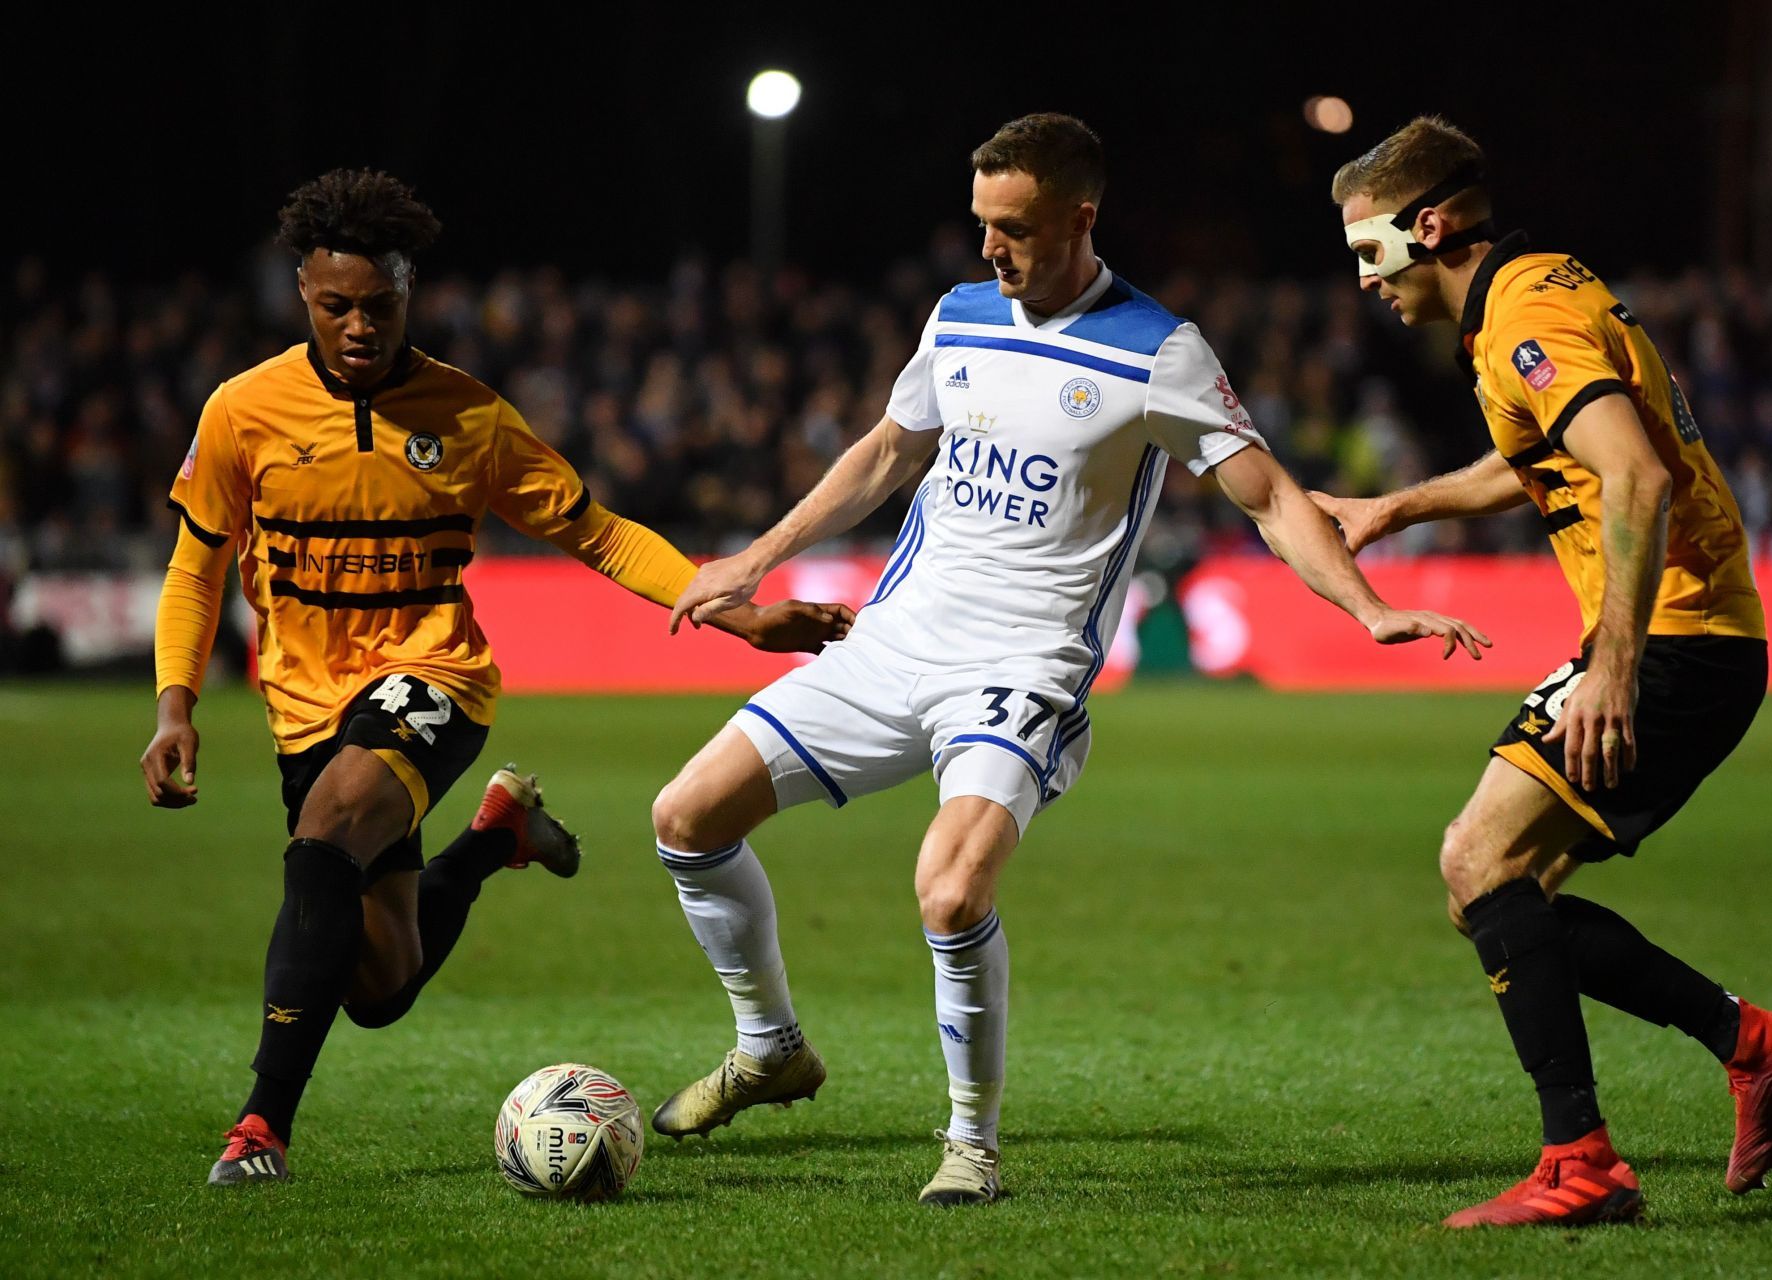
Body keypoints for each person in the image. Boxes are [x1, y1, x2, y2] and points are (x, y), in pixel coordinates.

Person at [648, 113, 1490, 1206]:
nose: (991, 250)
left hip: (1024, 669)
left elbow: (1271, 492)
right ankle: (770, 1047)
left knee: (949, 893)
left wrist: (1368, 607)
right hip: (894, 639)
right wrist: (756, 558)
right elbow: (886, 452)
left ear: (1080, 218)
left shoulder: (1157, 349)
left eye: (1016, 229)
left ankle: (971, 1144)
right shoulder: (957, 318)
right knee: (685, 816)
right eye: (982, 226)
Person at [138, 169, 851, 1185]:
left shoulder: (467, 417)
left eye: (377, 306)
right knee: (379, 981)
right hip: (304, 705)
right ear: (303, 290)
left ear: (408, 293)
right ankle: (491, 841)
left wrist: (735, 611)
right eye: (335, 306)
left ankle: (261, 1124)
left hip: (436, 678)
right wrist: (177, 703)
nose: (356, 326)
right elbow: (197, 563)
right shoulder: (243, 412)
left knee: (331, 825)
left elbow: (599, 534)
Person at [1316, 117, 1772, 1228]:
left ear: (1430, 225)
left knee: (1477, 860)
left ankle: (1584, 1161)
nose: (1364, 279)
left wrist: (1613, 658)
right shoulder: (1532, 290)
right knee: (1505, 893)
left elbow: (1635, 475)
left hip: (1675, 638)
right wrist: (1398, 505)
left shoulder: (1526, 318)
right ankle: (1752, 1041)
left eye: (1371, 252)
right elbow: (1548, 454)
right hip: (1698, 636)